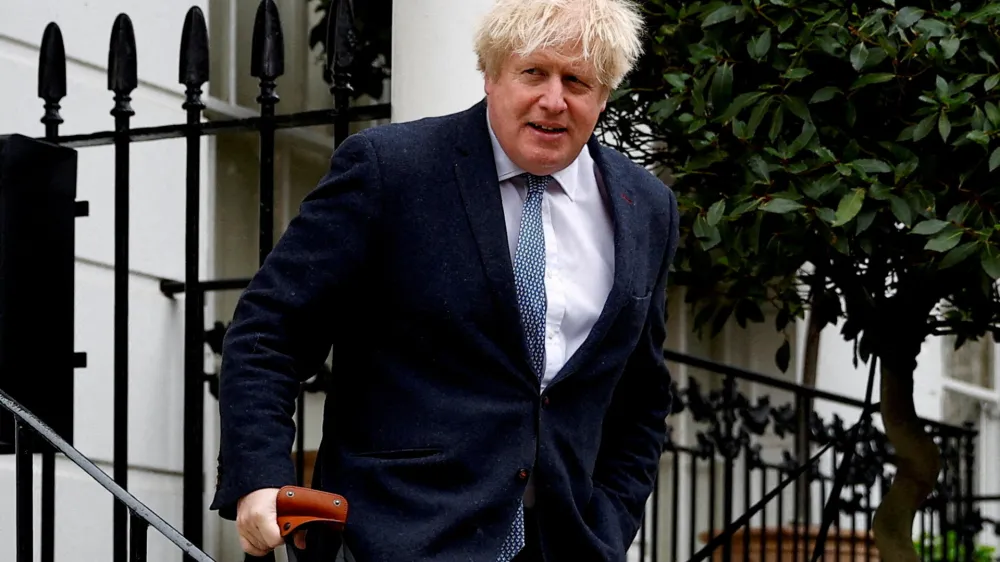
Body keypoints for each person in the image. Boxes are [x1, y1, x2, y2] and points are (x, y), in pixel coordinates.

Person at [210, 0, 679, 560]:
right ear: (491, 74)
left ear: (603, 95)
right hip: (393, 537)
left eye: (577, 80)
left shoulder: (646, 207)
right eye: (533, 72)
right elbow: (271, 331)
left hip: (566, 544)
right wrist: (260, 475)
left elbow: (642, 395)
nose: (554, 100)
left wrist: (611, 519)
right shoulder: (392, 169)